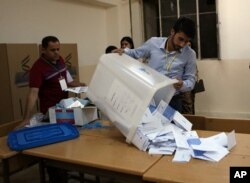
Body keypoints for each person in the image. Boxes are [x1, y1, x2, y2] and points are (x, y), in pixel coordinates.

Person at [114, 17, 196, 113]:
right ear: (172, 32)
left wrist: (182, 84)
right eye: (180, 39)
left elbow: (191, 81)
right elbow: (135, 53)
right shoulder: (153, 43)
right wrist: (124, 51)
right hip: (150, 97)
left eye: (186, 41)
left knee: (172, 128)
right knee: (148, 126)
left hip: (173, 100)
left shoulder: (190, 54)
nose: (182, 44)